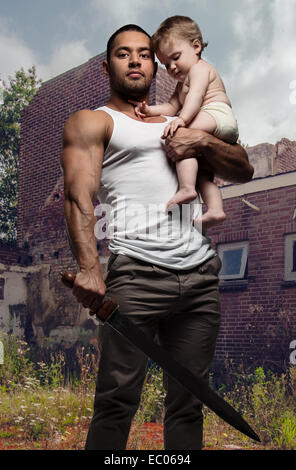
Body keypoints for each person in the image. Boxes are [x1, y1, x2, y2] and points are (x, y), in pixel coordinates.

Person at [61, 24, 253, 450]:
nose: (135, 60)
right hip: (137, 275)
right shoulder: (93, 121)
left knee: (189, 404)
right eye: (123, 53)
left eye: (145, 53)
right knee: (116, 402)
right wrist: (90, 269)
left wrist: (198, 138)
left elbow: (243, 167)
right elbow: (79, 196)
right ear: (106, 64)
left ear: (156, 64)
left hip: (201, 277)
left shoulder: (181, 116)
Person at [130, 16, 239, 230]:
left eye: (176, 57)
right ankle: (216, 210)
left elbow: (196, 97)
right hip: (212, 122)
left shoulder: (200, 69)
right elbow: (171, 106)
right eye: (165, 64)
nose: (171, 67)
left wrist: (182, 120)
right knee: (203, 174)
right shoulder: (181, 84)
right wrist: (149, 110)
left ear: (196, 46)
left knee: (181, 138)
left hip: (217, 114)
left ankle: (186, 188)